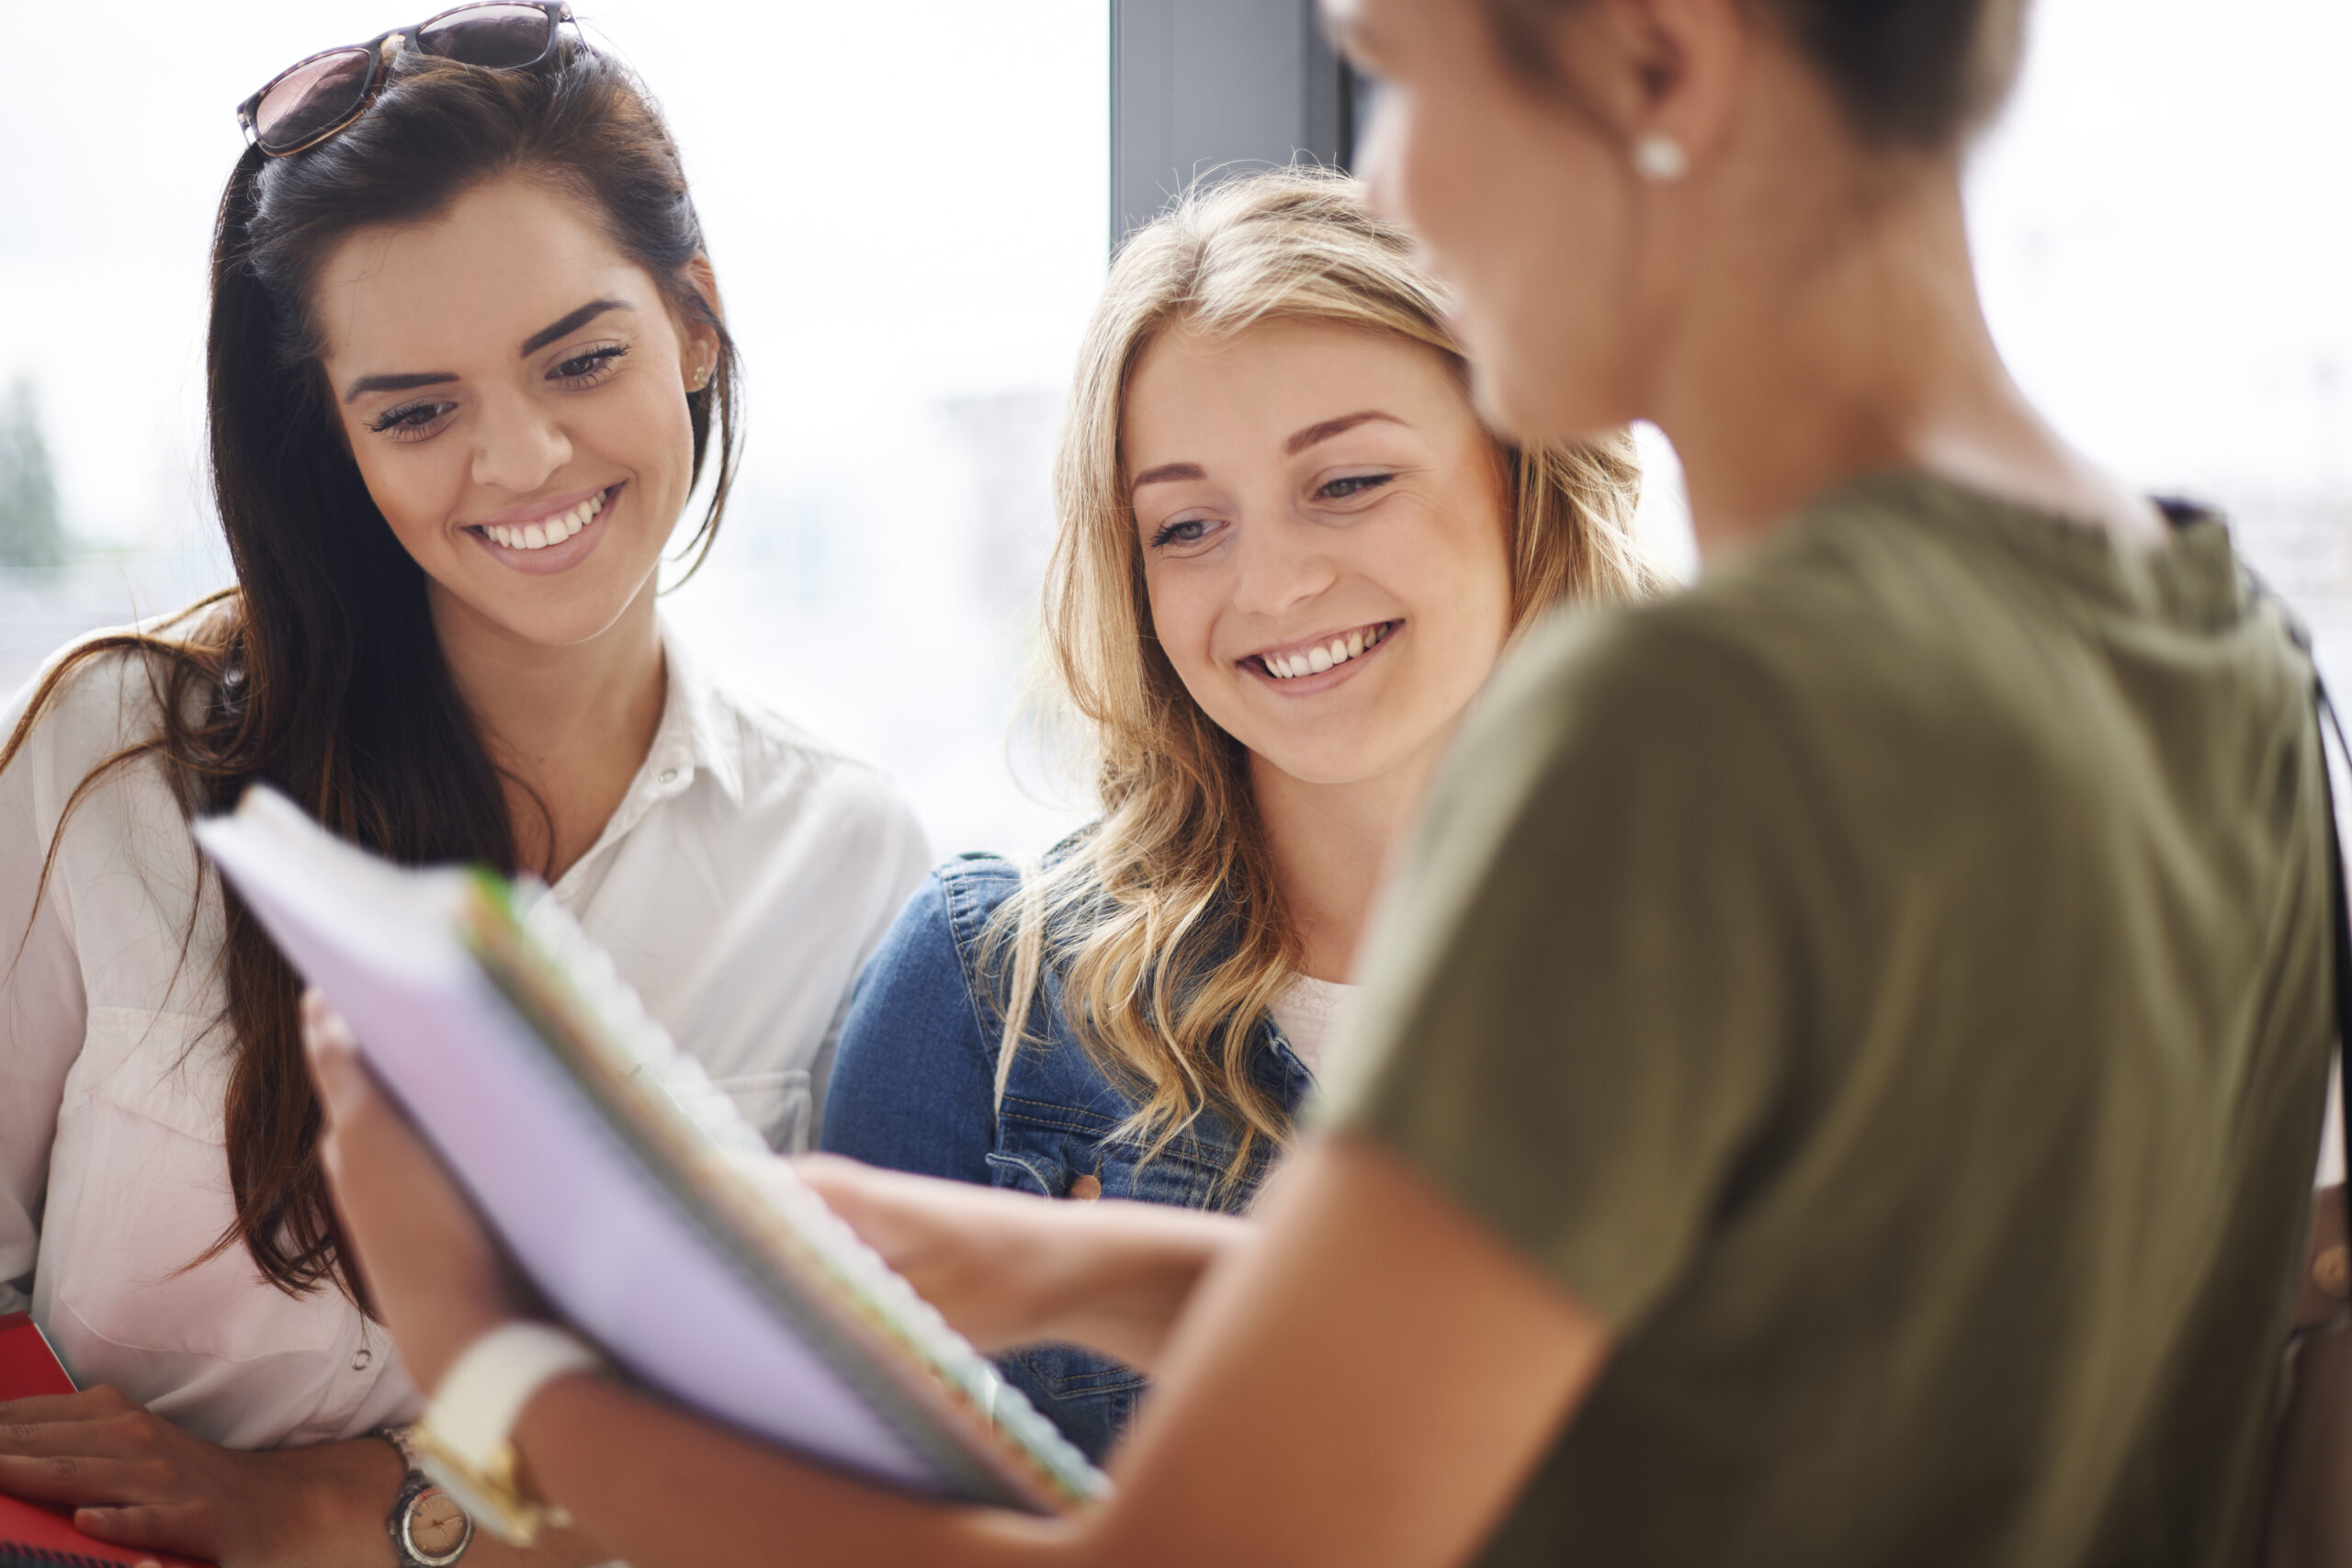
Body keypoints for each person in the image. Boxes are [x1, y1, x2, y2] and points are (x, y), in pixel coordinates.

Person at [284, 0, 2335, 1563]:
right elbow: (1746, 1362)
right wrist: (1056, 1258)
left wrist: (495, 1359)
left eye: (1398, 79)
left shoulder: (1684, 732)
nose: (1403, 189)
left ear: (1650, 60)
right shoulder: (2212, 642)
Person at [0, 10, 924, 1566]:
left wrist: (360, 1507)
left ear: (697, 321)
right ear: (334, 437)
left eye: (583, 357)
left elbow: (799, 1449)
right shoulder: (119, 761)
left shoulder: (848, 859)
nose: (522, 460)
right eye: (416, 411)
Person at [820, 166, 1659, 1461]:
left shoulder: (1760, 970)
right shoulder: (985, 996)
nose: (1270, 586)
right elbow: (836, 1516)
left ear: (1520, 472)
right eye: (1188, 525)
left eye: (1347, 483)